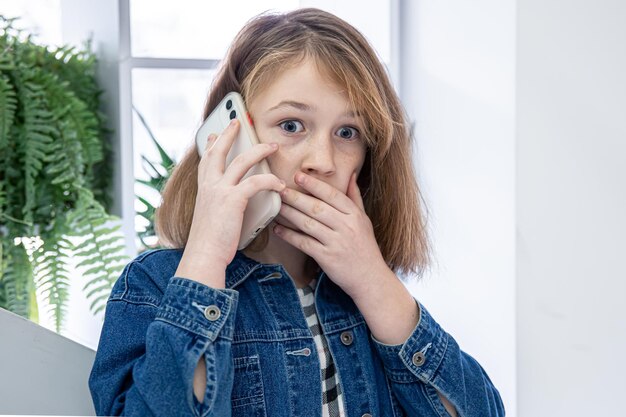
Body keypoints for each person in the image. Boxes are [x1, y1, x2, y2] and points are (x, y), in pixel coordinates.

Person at [89, 8, 505, 417]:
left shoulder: (369, 294)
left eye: (347, 132)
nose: (322, 160)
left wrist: (375, 283)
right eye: (291, 125)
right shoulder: (153, 285)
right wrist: (206, 256)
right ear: (229, 137)